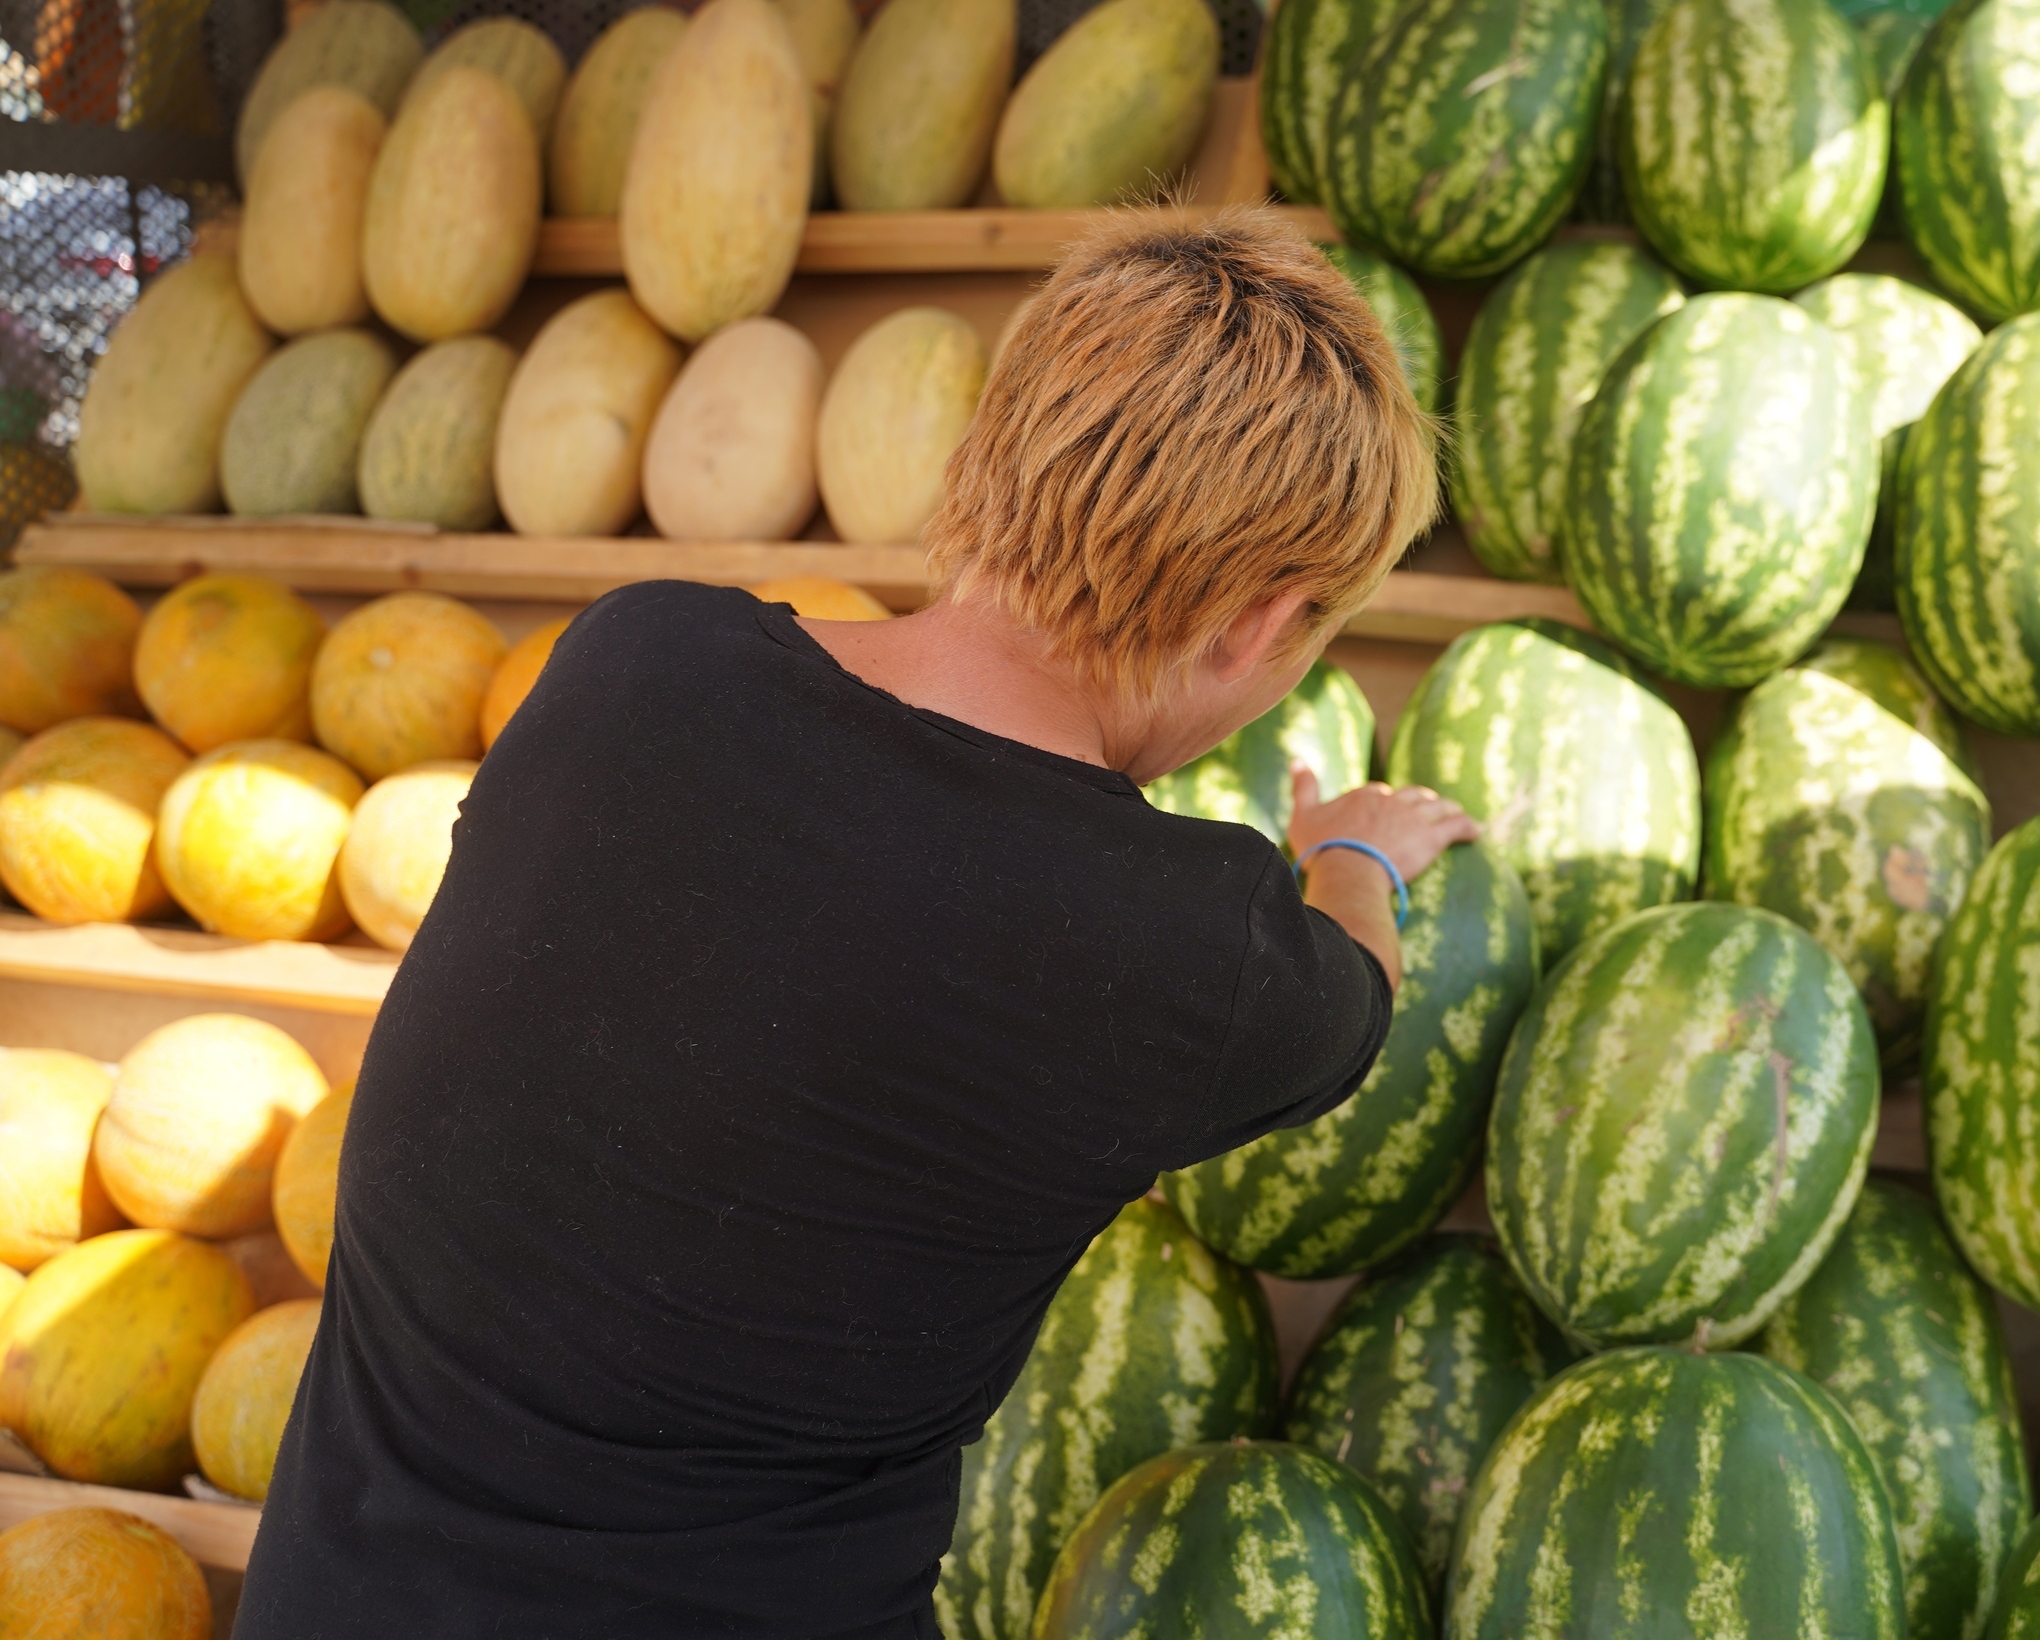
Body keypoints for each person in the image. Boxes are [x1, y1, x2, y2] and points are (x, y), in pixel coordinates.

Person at [234, 209, 1475, 1638]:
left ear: (982, 460)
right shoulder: (1192, 955)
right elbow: (1356, 999)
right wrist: (1355, 860)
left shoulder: (636, 657)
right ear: (1262, 624)